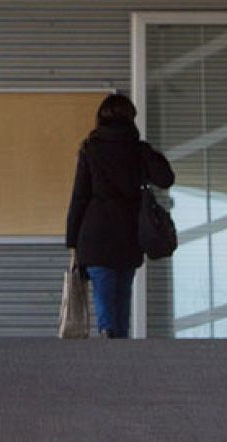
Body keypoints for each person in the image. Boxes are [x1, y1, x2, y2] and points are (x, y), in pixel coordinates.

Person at [64, 93, 174, 338]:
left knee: (107, 315)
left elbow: (79, 197)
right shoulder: (138, 151)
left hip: (95, 239)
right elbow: (166, 178)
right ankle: (118, 362)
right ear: (131, 119)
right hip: (128, 239)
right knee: (121, 313)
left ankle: (109, 352)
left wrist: (72, 241)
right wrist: (145, 150)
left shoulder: (90, 150)